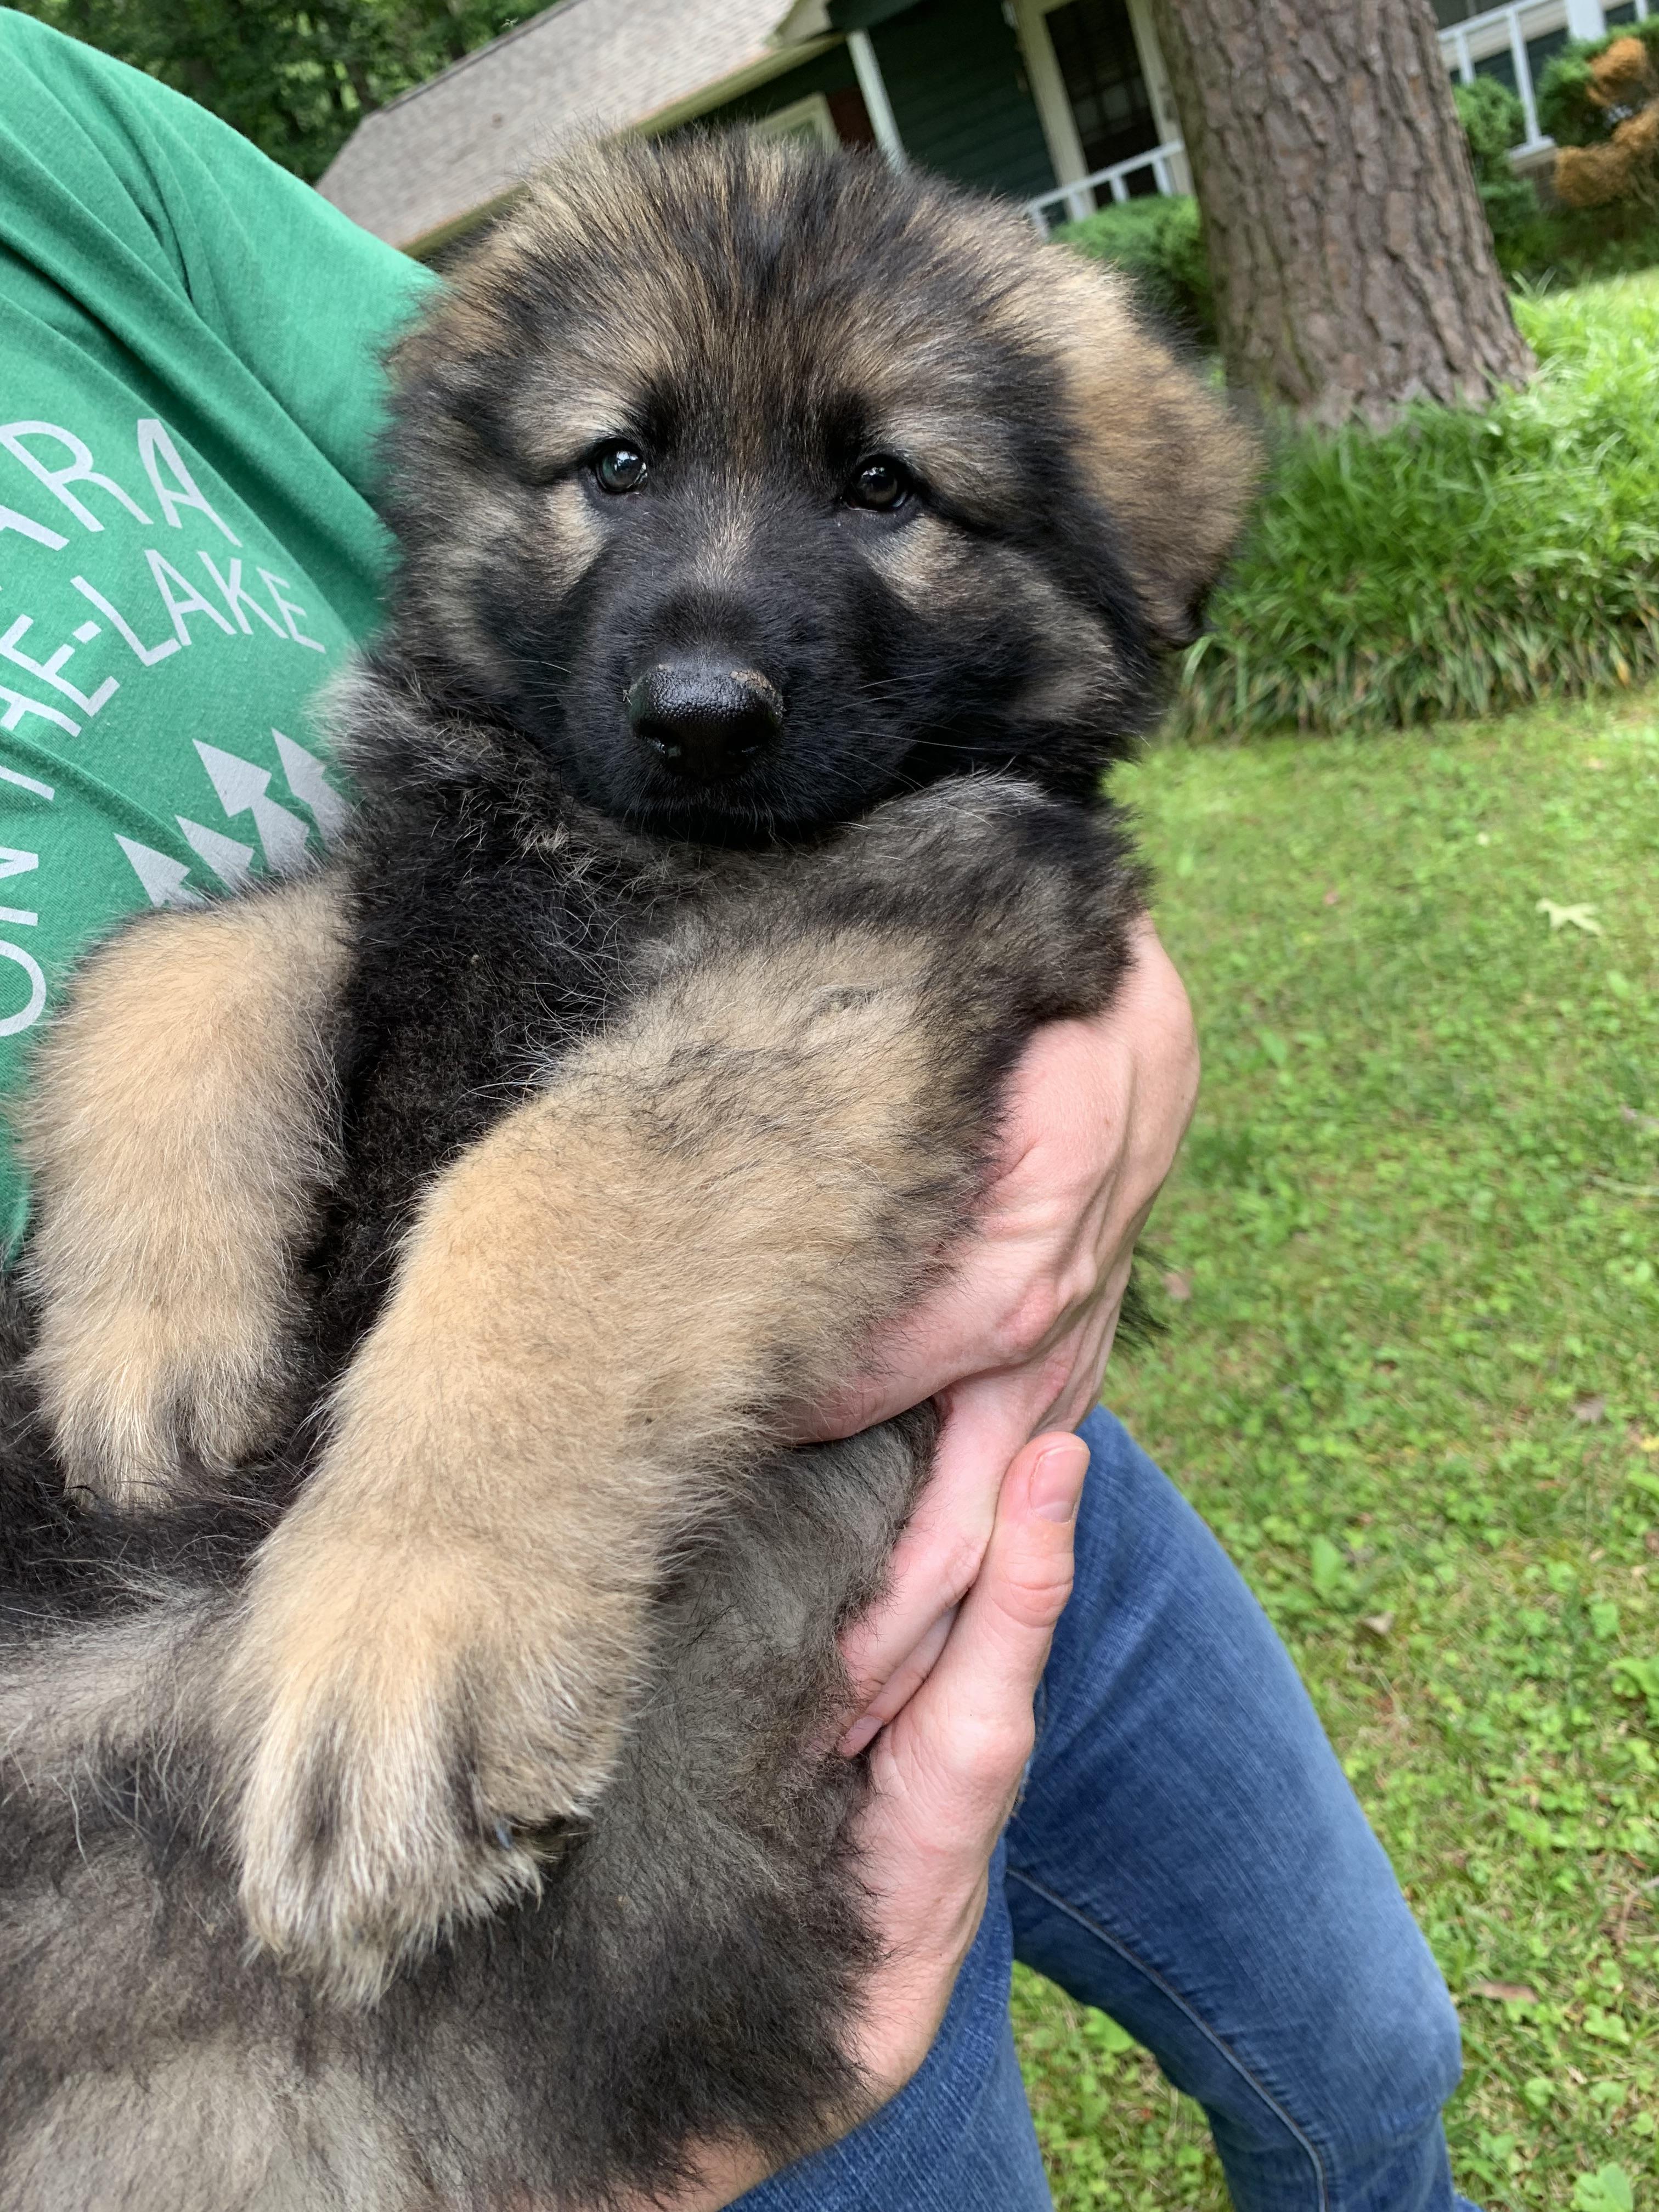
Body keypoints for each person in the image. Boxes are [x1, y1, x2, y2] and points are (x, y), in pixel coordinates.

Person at [0, 14, 1477, 2208]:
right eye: (624, 469)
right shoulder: (464, 746)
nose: (704, 650)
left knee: (1366, 2047)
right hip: (490, 1808)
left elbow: (872, 982)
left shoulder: (38, 126)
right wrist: (170, 1070)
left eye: (878, 491)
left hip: (968, 1496)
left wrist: (1111, 1029)